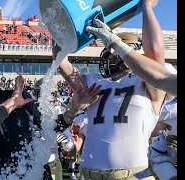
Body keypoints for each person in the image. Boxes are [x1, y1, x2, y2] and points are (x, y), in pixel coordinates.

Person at [53, 0, 166, 179]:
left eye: (113, 54)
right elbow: (62, 62)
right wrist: (60, 26)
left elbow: (155, 55)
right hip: (89, 174)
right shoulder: (96, 82)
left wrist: (147, 8)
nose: (108, 58)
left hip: (133, 175)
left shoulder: (145, 82)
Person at [0, 63, 101, 179]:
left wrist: (74, 108)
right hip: (0, 175)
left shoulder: (20, 96)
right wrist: (13, 102)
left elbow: (50, 125)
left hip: (35, 173)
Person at [85, 5, 177, 97]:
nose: (109, 62)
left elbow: (155, 55)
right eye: (109, 58)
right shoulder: (99, 80)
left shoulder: (149, 76)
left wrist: (147, 7)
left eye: (114, 57)